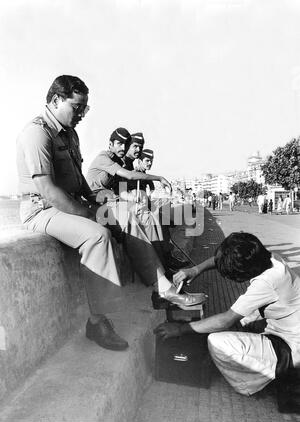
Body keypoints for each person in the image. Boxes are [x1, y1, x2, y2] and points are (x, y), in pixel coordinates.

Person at [16, 75, 129, 351]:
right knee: (98, 236)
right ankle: (96, 322)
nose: (80, 115)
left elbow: (79, 182)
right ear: (55, 101)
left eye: (83, 109)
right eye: (76, 108)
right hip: (40, 210)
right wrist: (90, 215)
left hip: (64, 206)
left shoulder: (69, 134)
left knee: (117, 222)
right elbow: (48, 191)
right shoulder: (37, 133)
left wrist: (100, 206)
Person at [155, 232, 300, 397]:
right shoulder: (269, 258)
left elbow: (225, 320)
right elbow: (223, 257)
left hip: (290, 348)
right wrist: (196, 269)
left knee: (217, 341)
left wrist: (181, 329)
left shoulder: (266, 282)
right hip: (288, 328)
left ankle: (253, 386)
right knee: (242, 317)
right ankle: (265, 361)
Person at [87, 129, 201, 307]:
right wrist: (158, 177)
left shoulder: (117, 161)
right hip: (96, 206)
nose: (123, 148)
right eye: (119, 144)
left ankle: (163, 276)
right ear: (110, 144)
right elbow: (129, 177)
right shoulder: (104, 158)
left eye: (125, 145)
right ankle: (163, 285)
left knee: (149, 218)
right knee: (139, 218)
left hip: (109, 203)